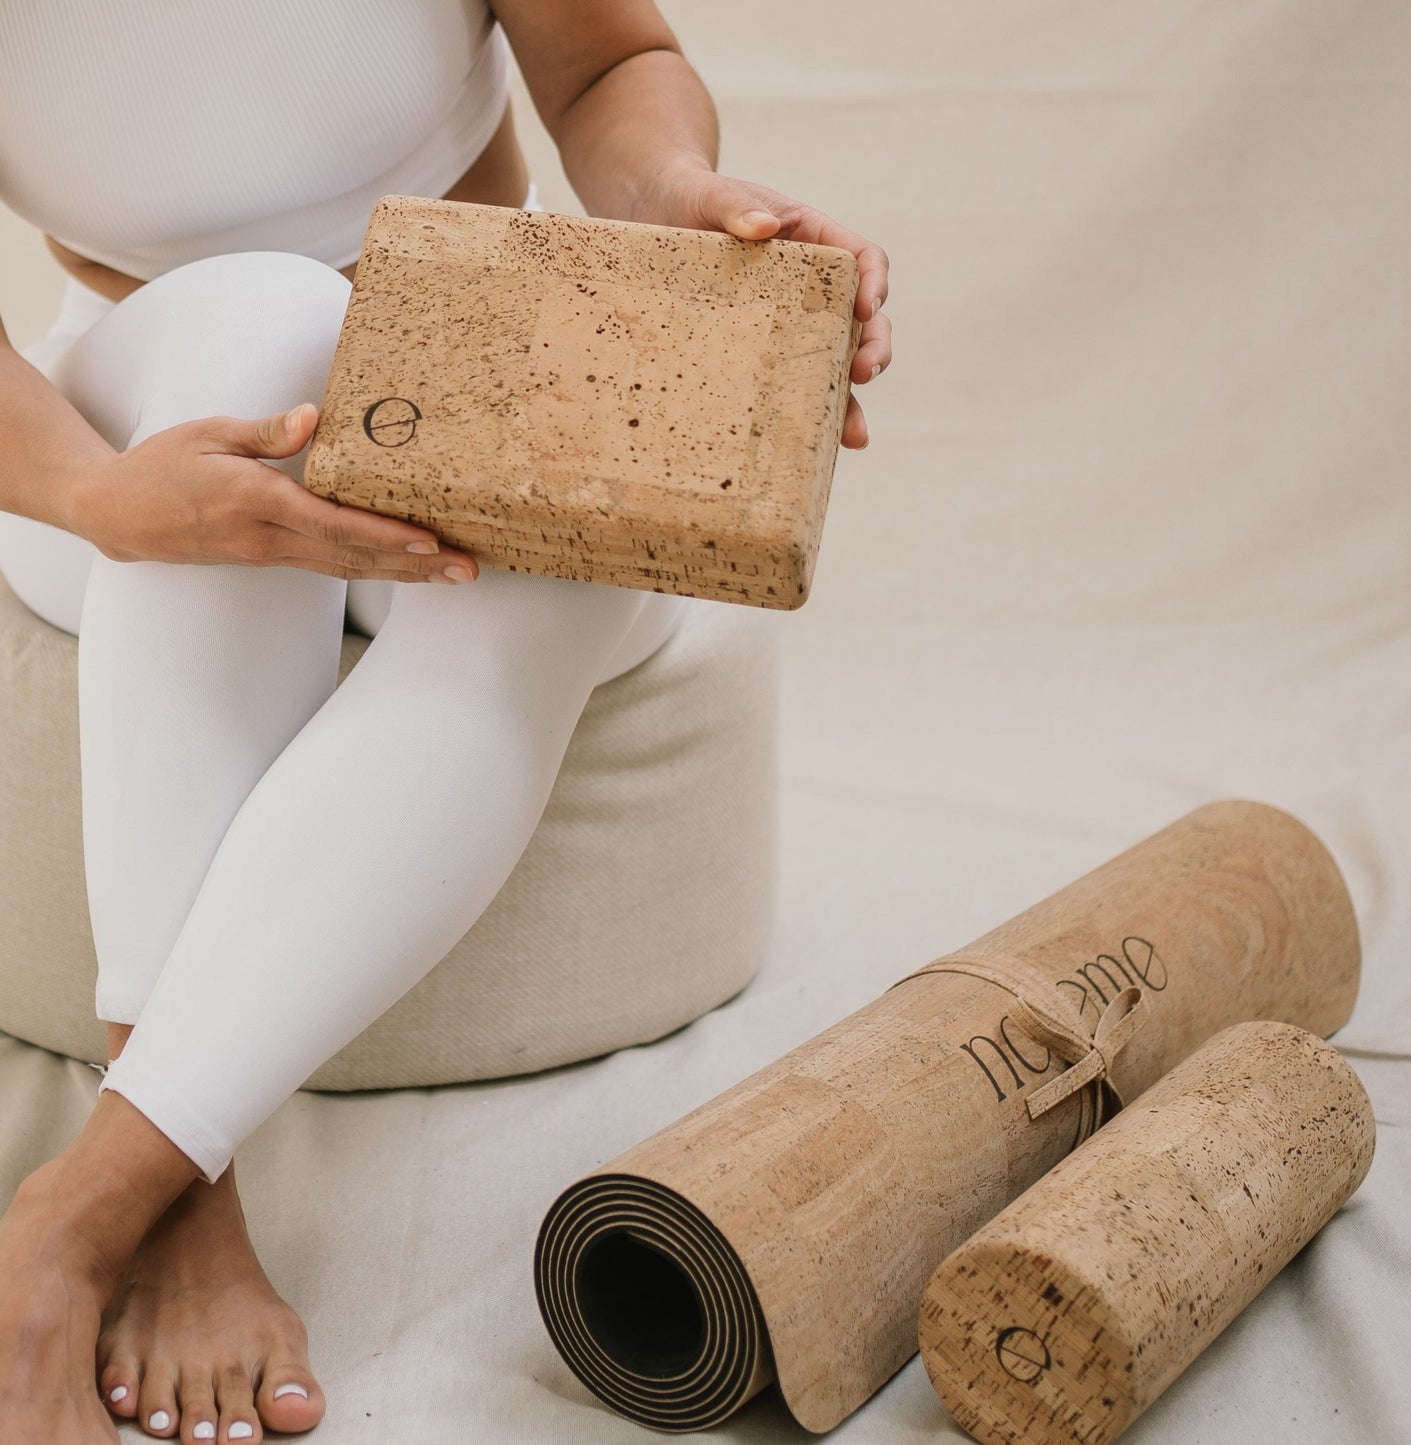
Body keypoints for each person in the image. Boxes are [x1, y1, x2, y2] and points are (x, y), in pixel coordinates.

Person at [0, 2, 891, 1441]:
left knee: (540, 579)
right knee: (254, 318)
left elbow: (607, 67)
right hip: (111, 419)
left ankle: (75, 1212)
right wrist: (109, 498)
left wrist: (681, 204)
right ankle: (188, 1205)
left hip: (499, 344)